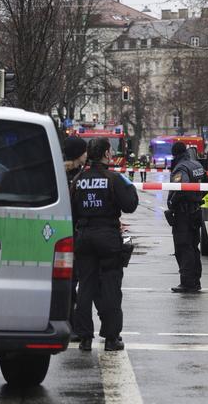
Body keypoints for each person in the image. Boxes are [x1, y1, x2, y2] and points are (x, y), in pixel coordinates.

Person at [71, 138, 139, 352]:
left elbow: (71, 211)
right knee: (110, 287)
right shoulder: (113, 178)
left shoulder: (78, 179)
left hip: (83, 236)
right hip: (107, 236)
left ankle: (84, 337)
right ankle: (111, 338)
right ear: (107, 154)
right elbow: (130, 205)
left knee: (85, 286)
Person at [166, 141, 208, 292]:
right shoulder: (196, 164)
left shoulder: (181, 168)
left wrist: (171, 203)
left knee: (183, 248)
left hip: (183, 214)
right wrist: (197, 197)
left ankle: (187, 283)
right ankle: (195, 281)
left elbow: (180, 188)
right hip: (196, 211)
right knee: (193, 247)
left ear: (174, 154)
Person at [63, 136, 88, 341]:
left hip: (63, 231)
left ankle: (69, 322)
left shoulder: (59, 172)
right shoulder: (78, 176)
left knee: (69, 281)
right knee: (75, 280)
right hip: (75, 233)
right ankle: (74, 325)